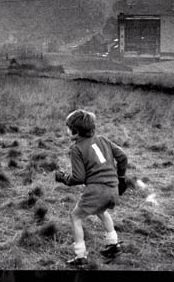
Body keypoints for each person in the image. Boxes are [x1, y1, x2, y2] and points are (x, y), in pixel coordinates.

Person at [54, 109, 128, 266]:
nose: (67, 130)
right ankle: (113, 245)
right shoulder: (103, 140)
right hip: (113, 188)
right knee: (101, 211)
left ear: (75, 132)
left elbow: (78, 178)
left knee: (75, 217)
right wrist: (121, 178)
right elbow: (122, 157)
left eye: (68, 128)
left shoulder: (77, 148)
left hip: (96, 190)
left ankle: (80, 256)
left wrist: (64, 178)